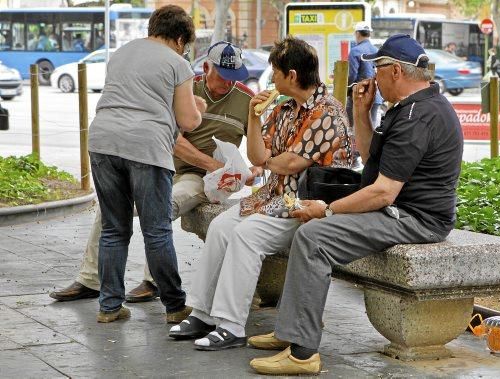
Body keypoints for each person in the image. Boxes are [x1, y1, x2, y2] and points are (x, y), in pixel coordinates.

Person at [248, 34, 464, 375]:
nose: (373, 78)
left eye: (377, 69)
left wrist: (328, 210)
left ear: (394, 72)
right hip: (399, 209)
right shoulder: (409, 108)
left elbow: (382, 193)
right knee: (311, 231)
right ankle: (290, 331)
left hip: (415, 218)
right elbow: (370, 159)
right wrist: (361, 112)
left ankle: (303, 353)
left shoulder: (417, 116)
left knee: (313, 237)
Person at [168, 36, 353, 351]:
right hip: (274, 197)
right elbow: (258, 158)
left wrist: (268, 161)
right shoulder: (283, 108)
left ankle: (231, 325)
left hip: (305, 205)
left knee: (247, 235)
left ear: (291, 75)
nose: (272, 79)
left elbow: (291, 162)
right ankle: (203, 313)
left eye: (276, 72)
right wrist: (253, 118)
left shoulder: (328, 112)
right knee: (221, 227)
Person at [49, 41, 256, 306]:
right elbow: (173, 140)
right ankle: (90, 280)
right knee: (109, 210)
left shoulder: (246, 98)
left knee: (163, 208)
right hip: (159, 164)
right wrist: (213, 164)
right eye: (223, 76)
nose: (228, 83)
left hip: (199, 179)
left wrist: (252, 169)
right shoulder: (185, 86)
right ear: (206, 67)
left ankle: (153, 280)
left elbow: (258, 146)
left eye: (234, 77)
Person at [87, 5, 205, 323]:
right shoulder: (177, 63)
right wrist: (200, 107)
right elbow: (188, 121)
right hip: (145, 146)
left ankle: (109, 307)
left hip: (102, 140)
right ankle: (175, 306)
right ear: (180, 39)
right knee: (156, 231)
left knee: (114, 228)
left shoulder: (121, 53)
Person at [346, 21, 384, 169]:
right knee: (371, 127)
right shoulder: (376, 50)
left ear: (357, 34)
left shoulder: (355, 51)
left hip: (359, 95)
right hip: (376, 96)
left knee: (350, 126)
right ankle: (370, 162)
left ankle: (353, 158)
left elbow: (351, 75)